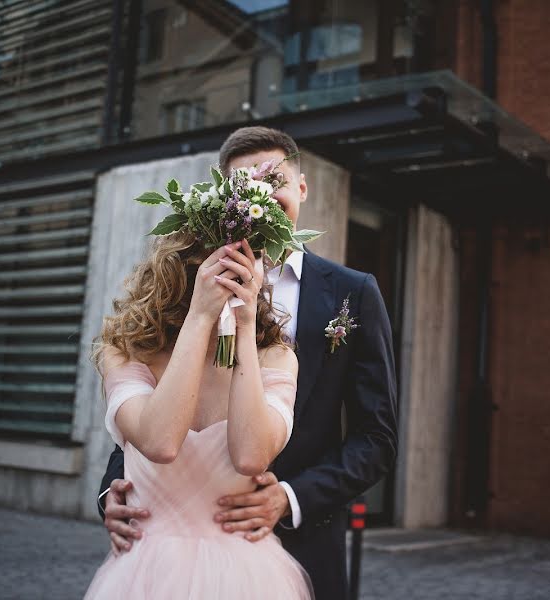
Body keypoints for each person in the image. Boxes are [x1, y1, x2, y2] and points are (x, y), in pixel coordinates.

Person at [99, 126, 399, 600]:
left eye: (275, 180)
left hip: (303, 548)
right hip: (165, 554)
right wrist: (111, 492)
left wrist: (290, 498)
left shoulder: (352, 294)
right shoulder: (188, 291)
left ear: (301, 187)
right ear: (223, 201)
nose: (262, 194)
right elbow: (142, 406)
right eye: (245, 186)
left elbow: (376, 438)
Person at [84, 231, 313, 598]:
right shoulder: (127, 353)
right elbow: (160, 442)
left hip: (247, 578)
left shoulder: (276, 358)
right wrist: (200, 317)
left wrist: (244, 328)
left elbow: (251, 455)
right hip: (148, 576)